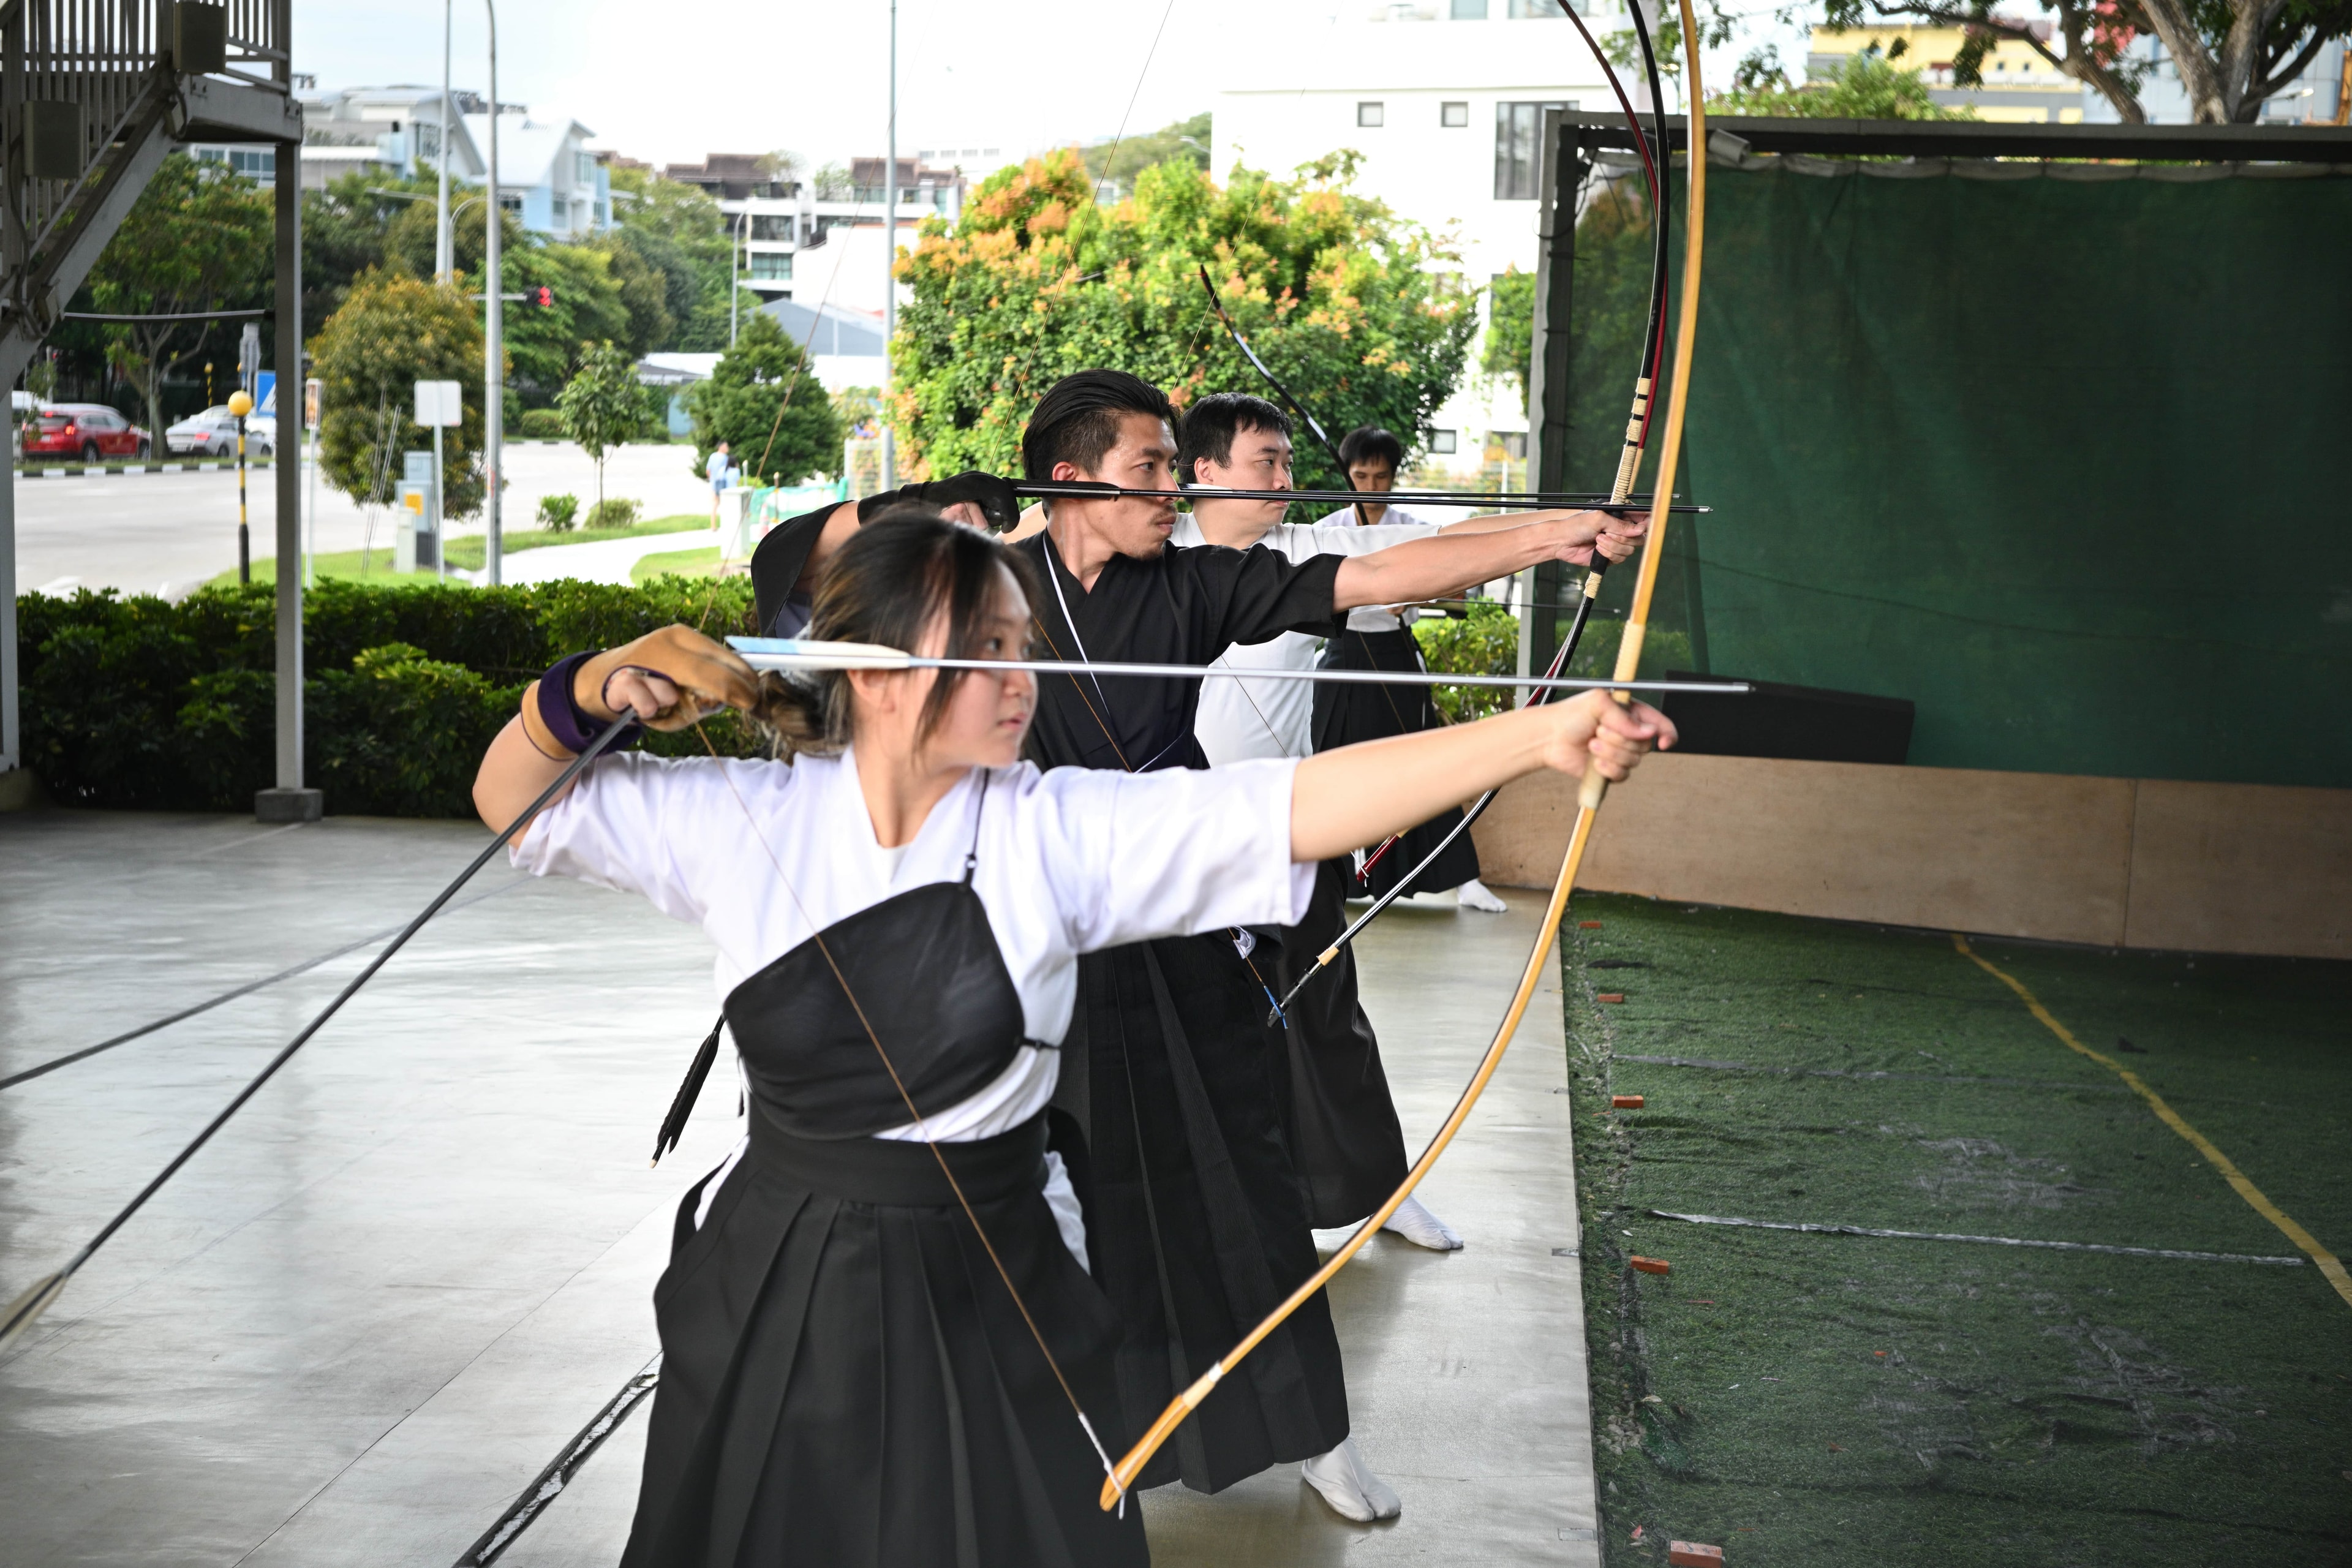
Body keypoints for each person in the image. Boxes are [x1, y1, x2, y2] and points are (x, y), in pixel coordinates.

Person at [471, 508, 1675, 1564]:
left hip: (994, 1268)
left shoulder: (1058, 827)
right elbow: (515, 801)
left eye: (1023, 647)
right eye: (985, 651)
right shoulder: (742, 816)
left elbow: (1293, 807)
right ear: (880, 674)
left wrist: (1532, 737)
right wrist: (586, 687)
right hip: (777, 1262)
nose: (1020, 678)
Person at [746, 371, 1640, 1522]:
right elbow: (786, 573)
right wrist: (909, 509)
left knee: (1239, 1177)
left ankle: (1312, 1427)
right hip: (1017, 920)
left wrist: (1552, 536)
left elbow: (1368, 575)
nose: (1176, 490)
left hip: (1166, 899)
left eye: (1177, 467)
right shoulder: (981, 574)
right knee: (1018, 1195)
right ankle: (1018, 1447)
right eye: (1152, 469)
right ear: (1069, 480)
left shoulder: (1194, 583)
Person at [1174, 393, 1641, 1254]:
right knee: (1176, 1028)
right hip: (1165, 836)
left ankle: (1375, 1191)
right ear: (1202, 472)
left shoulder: (1304, 550)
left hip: (1285, 828)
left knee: (1325, 1018)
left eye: (1287, 462)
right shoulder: (1151, 558)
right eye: (1263, 464)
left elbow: (1422, 553)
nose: (1285, 479)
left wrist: (1564, 529)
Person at [1314, 424, 1512, 912]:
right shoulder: (1327, 529)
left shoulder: (1411, 528)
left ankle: (1463, 878)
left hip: (1396, 654)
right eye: (1361, 476)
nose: (1371, 486)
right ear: (1348, 476)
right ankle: (1332, 883)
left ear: (1394, 476)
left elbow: (1456, 586)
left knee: (1424, 765)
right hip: (1343, 658)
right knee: (1332, 769)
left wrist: (1418, 592)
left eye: (1381, 477)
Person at [705, 440, 733, 532]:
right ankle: (726, 525)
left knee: (715, 505)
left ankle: (713, 525)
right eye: (726, 446)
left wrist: (712, 480)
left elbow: (708, 471)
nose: (727, 448)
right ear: (721, 447)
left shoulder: (712, 456)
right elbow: (726, 472)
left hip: (713, 484)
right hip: (722, 484)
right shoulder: (725, 458)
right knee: (724, 504)